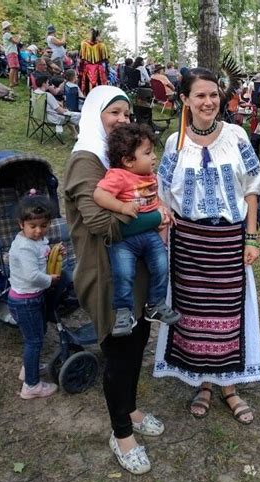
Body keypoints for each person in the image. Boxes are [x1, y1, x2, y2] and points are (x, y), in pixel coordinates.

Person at [64, 86, 165, 475]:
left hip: (131, 269)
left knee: (137, 341)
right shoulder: (86, 161)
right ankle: (121, 433)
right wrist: (156, 217)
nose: (122, 119)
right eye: (113, 112)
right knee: (119, 352)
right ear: (94, 115)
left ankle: (132, 409)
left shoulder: (118, 162)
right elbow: (99, 222)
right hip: (103, 273)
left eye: (125, 113)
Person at [153, 67, 260, 424]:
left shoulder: (236, 136)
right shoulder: (175, 142)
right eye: (200, 95)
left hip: (228, 242)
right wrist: (164, 233)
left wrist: (251, 236)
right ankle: (202, 382)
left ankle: (229, 387)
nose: (209, 101)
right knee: (193, 316)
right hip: (188, 244)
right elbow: (163, 193)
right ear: (185, 99)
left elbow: (251, 188)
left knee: (229, 315)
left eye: (213, 94)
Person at [93, 122, 181, 336]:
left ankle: (155, 305)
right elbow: (99, 195)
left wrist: (164, 209)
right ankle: (123, 312)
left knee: (162, 265)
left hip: (149, 234)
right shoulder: (118, 176)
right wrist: (122, 206)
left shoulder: (150, 176)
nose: (153, 157)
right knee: (123, 273)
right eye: (148, 153)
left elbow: (154, 197)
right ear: (128, 161)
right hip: (125, 239)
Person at [8, 192, 60, 400]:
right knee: (34, 341)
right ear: (21, 224)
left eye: (44, 226)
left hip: (32, 298)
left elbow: (42, 251)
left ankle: (27, 370)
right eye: (33, 226)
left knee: (36, 336)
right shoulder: (23, 246)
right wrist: (50, 279)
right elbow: (32, 275)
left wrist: (54, 252)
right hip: (25, 300)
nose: (39, 231)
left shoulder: (35, 240)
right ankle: (31, 386)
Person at [33, 74, 80, 138]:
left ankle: (75, 133)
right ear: (43, 83)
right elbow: (59, 110)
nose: (49, 84)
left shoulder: (35, 92)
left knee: (70, 116)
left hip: (40, 116)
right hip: (52, 118)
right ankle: (81, 134)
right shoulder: (47, 95)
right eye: (47, 82)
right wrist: (66, 111)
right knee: (79, 116)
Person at [79, 28, 109, 95]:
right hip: (98, 67)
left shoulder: (84, 44)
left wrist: (80, 69)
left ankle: (89, 96)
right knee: (99, 83)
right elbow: (106, 59)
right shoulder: (102, 45)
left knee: (89, 83)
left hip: (88, 68)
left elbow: (81, 59)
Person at [1, 20, 20, 88]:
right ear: (7, 27)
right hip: (11, 52)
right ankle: (11, 83)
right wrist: (19, 37)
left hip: (11, 52)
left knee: (15, 67)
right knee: (13, 67)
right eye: (9, 26)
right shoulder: (7, 34)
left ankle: (14, 81)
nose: (10, 27)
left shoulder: (6, 34)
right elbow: (16, 42)